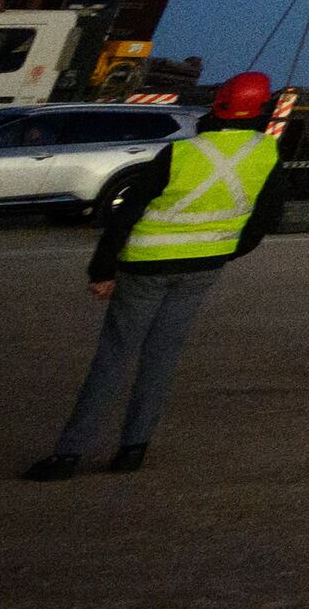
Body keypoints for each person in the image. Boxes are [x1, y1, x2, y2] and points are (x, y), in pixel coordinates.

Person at [25, 72, 290, 481]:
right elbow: (265, 219)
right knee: (161, 357)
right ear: (262, 110)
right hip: (204, 266)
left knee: (113, 358)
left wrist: (102, 268)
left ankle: (68, 455)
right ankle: (133, 449)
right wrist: (225, 250)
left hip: (145, 267)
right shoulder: (268, 154)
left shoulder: (181, 154)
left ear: (218, 107)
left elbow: (125, 214)